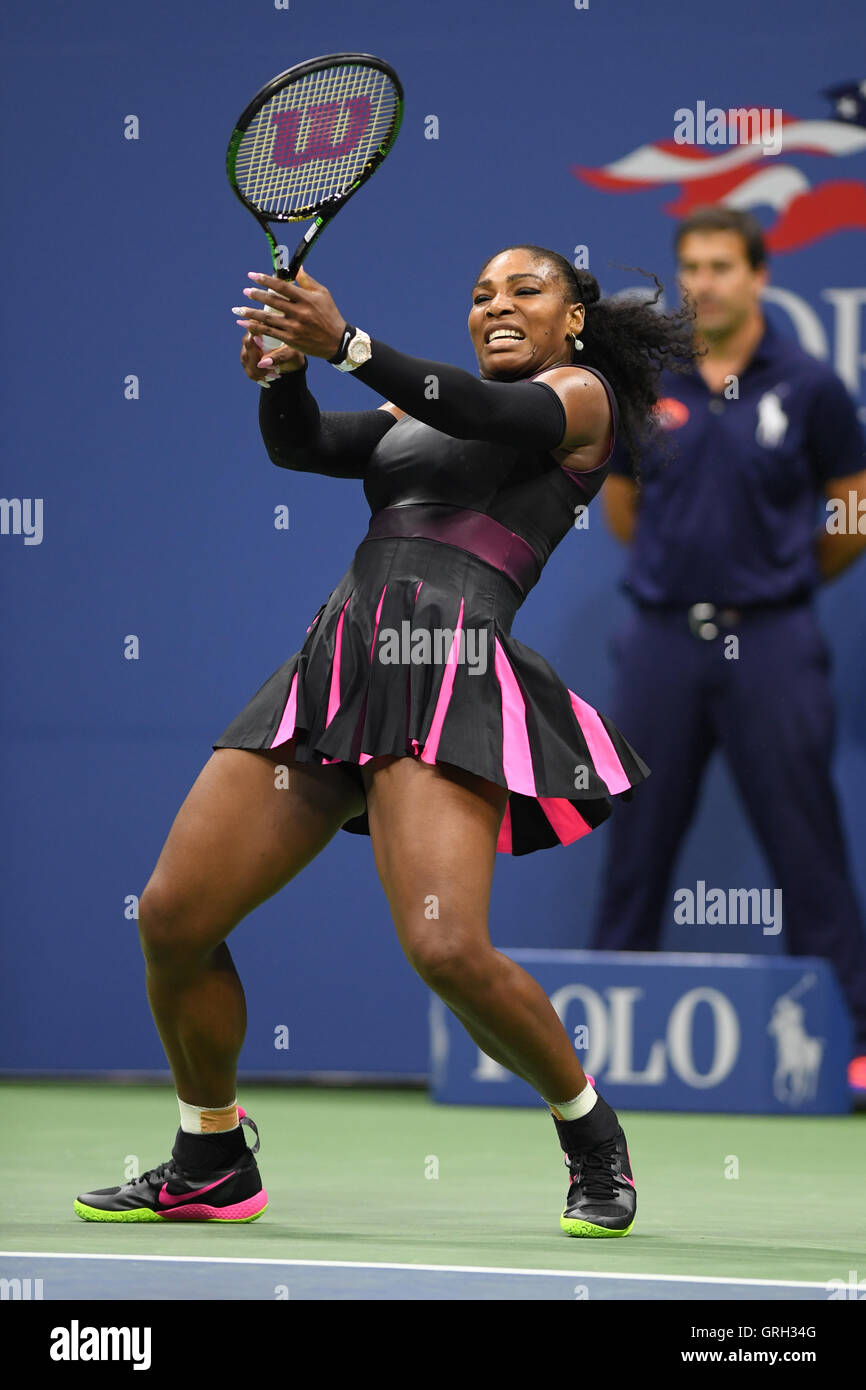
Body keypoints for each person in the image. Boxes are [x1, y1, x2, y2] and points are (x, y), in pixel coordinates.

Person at [73, 244, 695, 1237]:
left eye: (523, 290)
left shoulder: (576, 400)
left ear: (573, 317)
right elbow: (304, 445)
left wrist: (349, 341)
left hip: (447, 676)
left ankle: (587, 1129)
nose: (495, 305)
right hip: (338, 668)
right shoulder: (417, 409)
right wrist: (285, 374)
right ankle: (212, 1157)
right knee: (174, 915)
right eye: (479, 294)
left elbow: (481, 412)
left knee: (445, 945)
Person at [592, 207, 866, 1097]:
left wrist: (777, 582)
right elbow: (623, 505)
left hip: (775, 639)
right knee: (634, 839)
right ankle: (601, 1046)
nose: (702, 283)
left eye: (720, 266)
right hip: (662, 639)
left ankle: (853, 1044)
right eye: (690, 268)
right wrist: (684, 576)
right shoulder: (647, 378)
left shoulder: (812, 386)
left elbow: (852, 507)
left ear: (759, 276)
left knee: (808, 845)